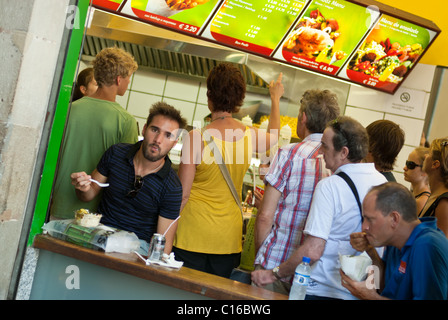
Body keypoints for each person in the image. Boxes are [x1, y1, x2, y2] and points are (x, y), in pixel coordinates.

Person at [251, 116, 388, 300]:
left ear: (344, 152)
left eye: (325, 146)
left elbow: (313, 250)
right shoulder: (383, 183)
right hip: (361, 293)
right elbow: (383, 248)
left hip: (324, 290)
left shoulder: (330, 186)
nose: (321, 152)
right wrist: (372, 291)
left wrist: (272, 273)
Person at [173, 62, 282, 278]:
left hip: (190, 234)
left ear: (209, 95)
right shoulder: (250, 136)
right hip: (227, 240)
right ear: (240, 99)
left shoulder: (196, 138)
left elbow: (182, 195)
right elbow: (275, 137)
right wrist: (275, 99)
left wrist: (163, 231)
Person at [252, 89, 340, 295]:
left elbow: (265, 216)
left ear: (304, 118)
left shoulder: (289, 153)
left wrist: (262, 258)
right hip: (311, 276)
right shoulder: (337, 163)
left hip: (275, 263)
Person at [71, 102, 187, 255]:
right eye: (154, 130)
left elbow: (164, 247)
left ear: (174, 142)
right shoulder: (116, 153)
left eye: (168, 135)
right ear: (144, 129)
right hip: (99, 239)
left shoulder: (172, 187)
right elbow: (88, 195)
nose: (158, 140)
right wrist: (82, 187)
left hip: (136, 251)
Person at [50, 47, 139, 220]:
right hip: (95, 216)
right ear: (119, 80)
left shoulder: (68, 110)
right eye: (129, 78)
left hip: (56, 206)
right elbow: (125, 175)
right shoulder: (126, 121)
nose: (129, 82)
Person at [341, 182, 448, 300]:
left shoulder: (427, 245)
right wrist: (370, 250)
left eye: (370, 219)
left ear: (394, 219)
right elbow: (383, 288)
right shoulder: (394, 240)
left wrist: (370, 297)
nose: (364, 227)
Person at [420, 137, 448, 236]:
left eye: (429, 153)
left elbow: (441, 246)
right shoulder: (434, 195)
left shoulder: (444, 202)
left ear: (435, 164)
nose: (425, 155)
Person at [403, 147, 430, 215]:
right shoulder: (416, 196)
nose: (405, 168)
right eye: (406, 163)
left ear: (425, 170)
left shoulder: (421, 201)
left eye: (410, 165)